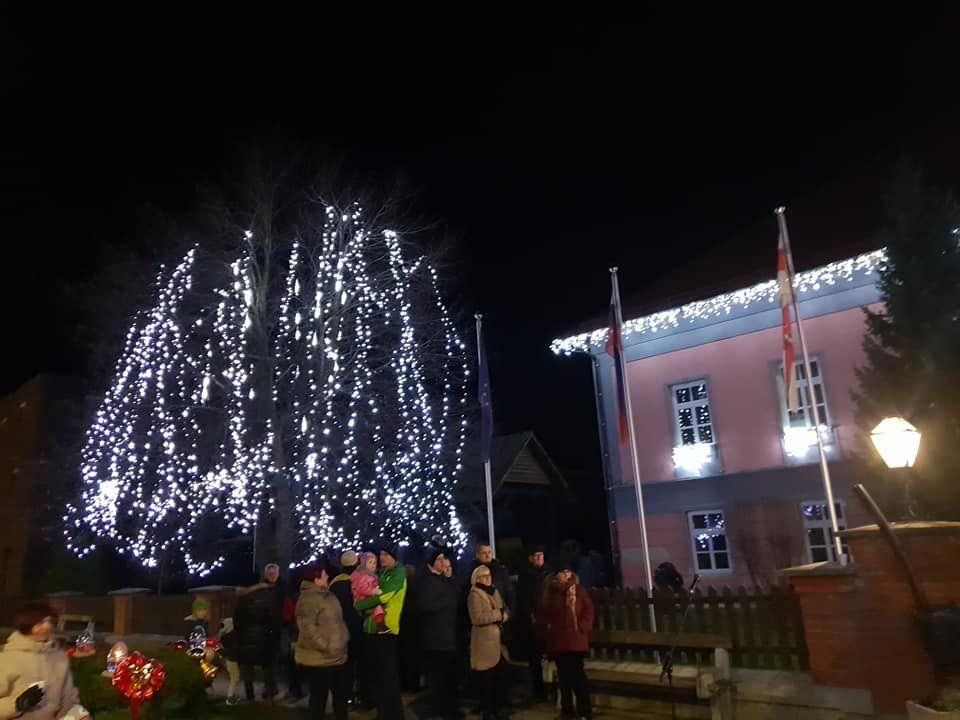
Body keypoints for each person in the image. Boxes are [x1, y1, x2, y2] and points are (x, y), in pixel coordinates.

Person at [0, 602, 84, 720]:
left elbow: (69, 699)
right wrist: (16, 705)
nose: (47, 627)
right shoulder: (6, 658)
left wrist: (78, 716)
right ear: (25, 624)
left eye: (49, 621)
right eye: (40, 622)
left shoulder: (60, 658)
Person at [355, 544, 407, 720]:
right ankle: (384, 712)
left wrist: (359, 606)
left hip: (387, 628)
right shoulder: (382, 573)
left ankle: (392, 715)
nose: (382, 558)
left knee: (387, 675)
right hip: (372, 628)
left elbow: (384, 596)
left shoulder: (398, 573)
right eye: (381, 554)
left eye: (386, 554)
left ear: (394, 556)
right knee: (378, 675)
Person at [536, 566, 595, 720]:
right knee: (564, 678)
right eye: (562, 572)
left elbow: (588, 610)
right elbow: (543, 614)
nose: (565, 574)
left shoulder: (578, 590)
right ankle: (567, 711)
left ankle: (584, 711)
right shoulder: (550, 591)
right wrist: (547, 631)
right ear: (556, 575)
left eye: (567, 572)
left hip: (576, 640)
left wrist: (582, 626)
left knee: (578, 676)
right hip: (559, 641)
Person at [295, 562, 351, 720]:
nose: (327, 577)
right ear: (316, 579)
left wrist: (343, 637)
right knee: (318, 701)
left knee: (341, 699)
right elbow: (307, 628)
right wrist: (325, 646)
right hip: (319, 659)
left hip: (338, 657)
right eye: (324, 575)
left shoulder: (329, 595)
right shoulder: (308, 599)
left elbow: (338, 621)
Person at [415, 548, 460, 720]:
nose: (443, 563)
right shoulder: (425, 580)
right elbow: (426, 604)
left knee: (448, 677)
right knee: (437, 678)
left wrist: (450, 579)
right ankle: (437, 710)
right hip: (435, 637)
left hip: (449, 635)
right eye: (439, 560)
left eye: (444, 559)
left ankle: (449, 709)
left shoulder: (443, 578)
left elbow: (456, 595)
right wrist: (446, 600)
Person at [235, 564, 284, 702]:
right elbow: (272, 617)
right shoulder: (267, 595)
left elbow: (237, 621)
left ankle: (250, 696)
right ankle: (270, 694)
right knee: (267, 667)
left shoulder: (241, 600)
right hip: (264, 638)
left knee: (248, 668)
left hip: (246, 639)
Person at [467, 565, 510, 720]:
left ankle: (497, 709)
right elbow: (477, 618)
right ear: (477, 579)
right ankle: (488, 710)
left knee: (499, 677)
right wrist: (498, 615)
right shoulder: (474, 595)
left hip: (497, 642)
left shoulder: (494, 591)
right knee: (486, 678)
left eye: (489, 575)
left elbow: (503, 609)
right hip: (484, 641)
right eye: (484, 576)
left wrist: (503, 615)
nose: (488, 579)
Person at [330, 550, 365, 705]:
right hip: (359, 629)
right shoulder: (360, 581)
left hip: (341, 630)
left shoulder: (335, 584)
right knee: (360, 665)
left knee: (346, 666)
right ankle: (361, 695)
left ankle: (347, 696)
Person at [515, 545, 549, 701]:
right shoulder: (525, 576)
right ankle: (538, 691)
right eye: (536, 555)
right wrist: (530, 615)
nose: (540, 558)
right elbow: (523, 599)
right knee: (535, 659)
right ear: (530, 558)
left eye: (541, 555)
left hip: (548, 620)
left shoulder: (547, 574)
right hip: (533, 623)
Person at [472, 544, 514, 612]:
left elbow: (509, 591)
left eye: (489, 552)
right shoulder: (473, 572)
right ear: (477, 555)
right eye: (484, 553)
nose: (487, 555)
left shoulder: (500, 570)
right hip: (483, 611)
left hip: (501, 610)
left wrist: (509, 611)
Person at [352, 552, 387, 633]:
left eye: (374, 563)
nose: (373, 565)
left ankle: (379, 624)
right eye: (370, 562)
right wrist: (373, 591)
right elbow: (362, 588)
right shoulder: (363, 576)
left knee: (379, 608)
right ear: (364, 563)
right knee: (377, 608)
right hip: (361, 598)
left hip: (368, 598)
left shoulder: (371, 575)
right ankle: (380, 625)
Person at [218, 617, 242, 706]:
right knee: (234, 678)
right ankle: (230, 698)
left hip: (228, 659)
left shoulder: (223, 636)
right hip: (232, 659)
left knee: (234, 678)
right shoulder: (232, 636)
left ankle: (232, 696)